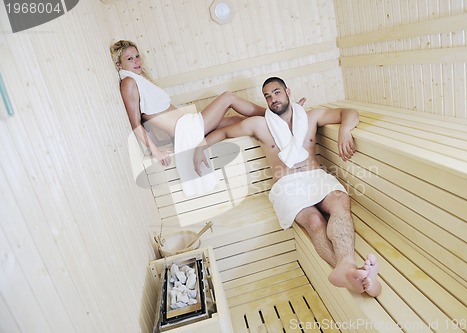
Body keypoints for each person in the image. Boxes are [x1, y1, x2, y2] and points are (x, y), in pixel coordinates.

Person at [194, 77, 381, 297]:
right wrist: (199, 147)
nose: (273, 99)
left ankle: (347, 268)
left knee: (340, 200)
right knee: (314, 221)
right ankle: (354, 272)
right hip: (287, 185)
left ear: (287, 92)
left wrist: (345, 131)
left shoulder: (311, 117)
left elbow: (348, 113)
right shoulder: (259, 124)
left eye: (276, 92)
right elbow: (225, 132)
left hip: (315, 177)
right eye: (267, 96)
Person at [109, 40, 267, 167]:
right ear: (119, 65)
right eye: (130, 59)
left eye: (137, 56)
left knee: (238, 121)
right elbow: (135, 123)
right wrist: (156, 151)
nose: (136, 61)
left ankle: (274, 124)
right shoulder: (129, 82)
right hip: (186, 129)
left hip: (187, 126)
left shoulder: (139, 81)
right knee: (228, 98)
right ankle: (273, 114)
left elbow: (149, 119)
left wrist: (163, 142)